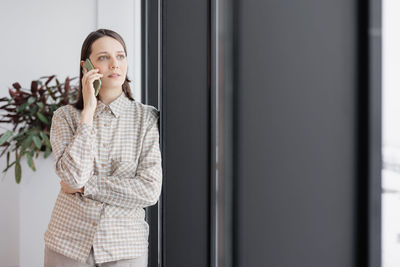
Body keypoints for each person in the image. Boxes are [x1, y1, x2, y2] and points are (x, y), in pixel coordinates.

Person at [43, 29, 162, 267]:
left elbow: (149, 190)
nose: (114, 65)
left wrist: (87, 186)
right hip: (67, 243)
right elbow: (72, 176)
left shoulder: (147, 118)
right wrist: (87, 113)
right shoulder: (65, 117)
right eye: (103, 57)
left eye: (120, 56)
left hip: (125, 246)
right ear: (86, 66)